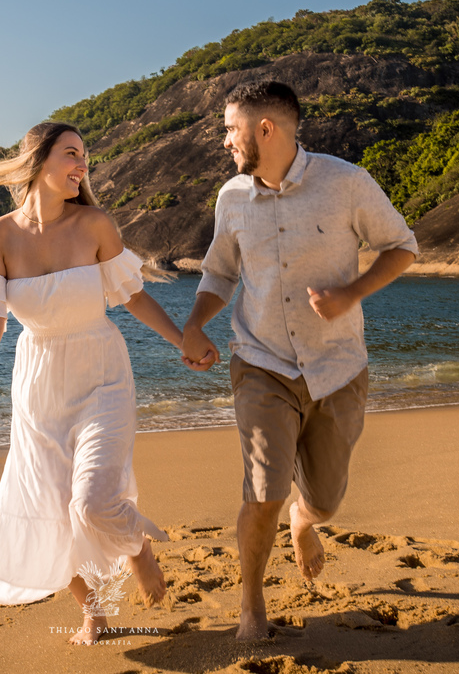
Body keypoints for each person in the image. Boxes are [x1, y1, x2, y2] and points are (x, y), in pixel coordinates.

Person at [179, 80, 418, 640]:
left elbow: (402, 246)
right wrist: (193, 324)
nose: (225, 141)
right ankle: (251, 608)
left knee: (326, 502)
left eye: (231, 129)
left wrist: (351, 294)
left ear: (266, 129)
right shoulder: (231, 197)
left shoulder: (346, 182)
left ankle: (304, 522)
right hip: (260, 363)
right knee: (263, 492)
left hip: (337, 367)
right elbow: (220, 273)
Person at [0, 121, 191, 645]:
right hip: (39, 387)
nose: (82, 165)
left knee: (91, 502)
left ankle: (138, 547)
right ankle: (94, 612)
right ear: (38, 161)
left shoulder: (95, 224)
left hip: (102, 374)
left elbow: (133, 296)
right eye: (71, 154)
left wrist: (182, 341)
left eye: (84, 155)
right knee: (49, 511)